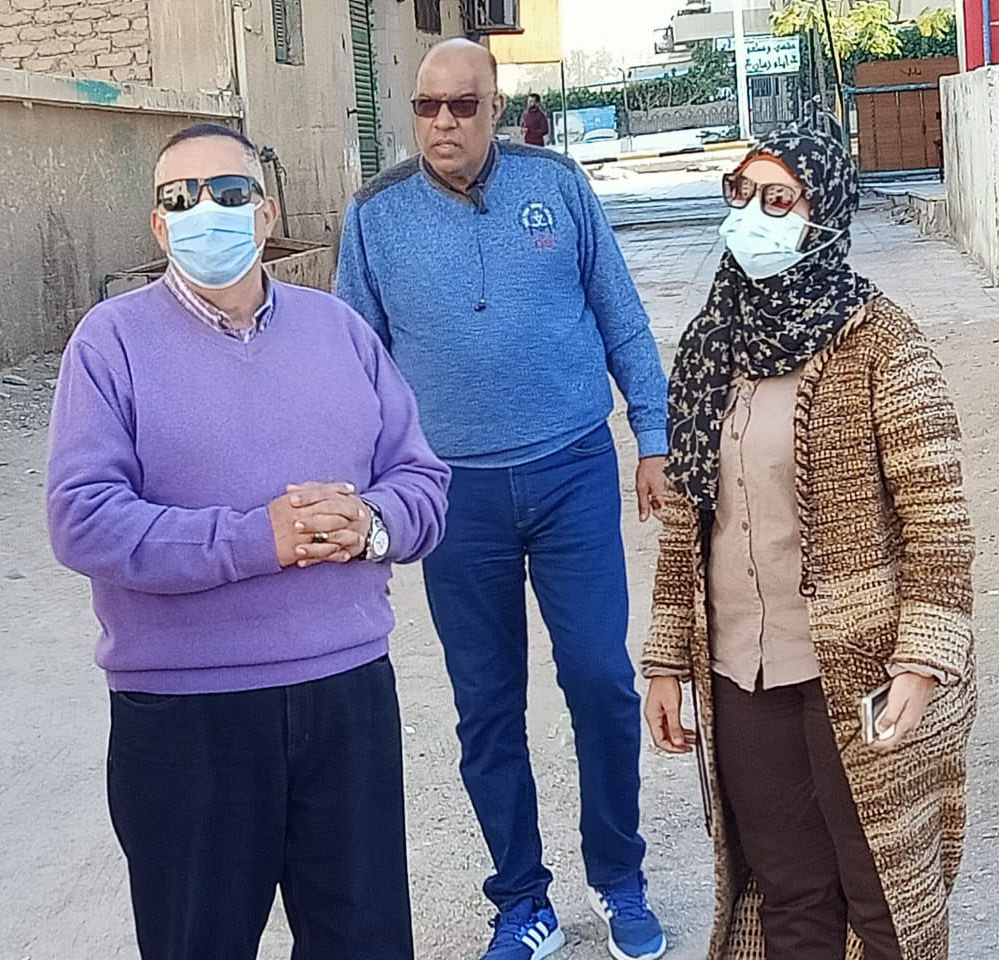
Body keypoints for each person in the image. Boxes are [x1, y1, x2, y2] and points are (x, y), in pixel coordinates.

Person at [46, 122, 450, 960]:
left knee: (365, 942)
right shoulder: (110, 343)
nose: (206, 211)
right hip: (187, 714)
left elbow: (421, 481)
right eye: (180, 197)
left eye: (228, 192)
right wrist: (255, 539)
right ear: (159, 227)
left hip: (346, 696)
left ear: (266, 214)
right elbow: (83, 517)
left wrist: (372, 525)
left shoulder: (339, 330)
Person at [334, 38, 669, 960]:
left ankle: (620, 878)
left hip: (572, 471)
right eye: (427, 106)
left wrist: (653, 435)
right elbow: (353, 368)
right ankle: (522, 900)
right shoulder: (374, 216)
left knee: (600, 678)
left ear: (495, 107)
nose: (443, 123)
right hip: (455, 496)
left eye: (463, 105)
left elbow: (621, 313)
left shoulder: (556, 187)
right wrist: (367, 505)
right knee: (486, 706)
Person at [643, 110, 975, 960]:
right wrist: (667, 662)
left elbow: (939, 524)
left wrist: (921, 662)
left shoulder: (881, 342)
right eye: (741, 193)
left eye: (778, 199)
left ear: (823, 213)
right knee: (786, 891)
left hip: (861, 669)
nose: (751, 216)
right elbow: (686, 521)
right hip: (742, 671)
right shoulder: (711, 343)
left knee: (885, 895)